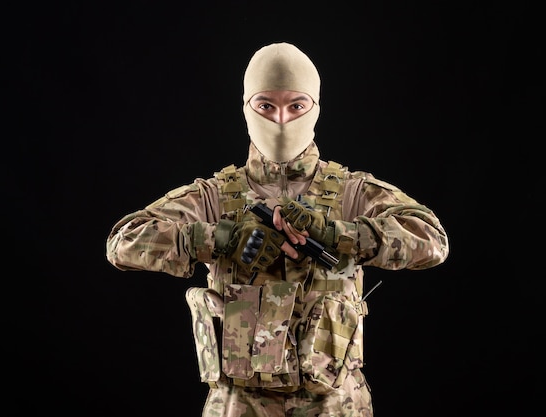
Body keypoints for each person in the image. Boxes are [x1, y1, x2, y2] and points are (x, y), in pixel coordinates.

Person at [105, 42, 449, 417]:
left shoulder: (352, 191)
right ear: (246, 108)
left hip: (334, 403)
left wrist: (339, 234)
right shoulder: (215, 196)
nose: (281, 119)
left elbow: (431, 238)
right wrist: (216, 239)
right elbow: (123, 241)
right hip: (240, 403)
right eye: (266, 105)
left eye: (296, 105)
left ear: (315, 108)